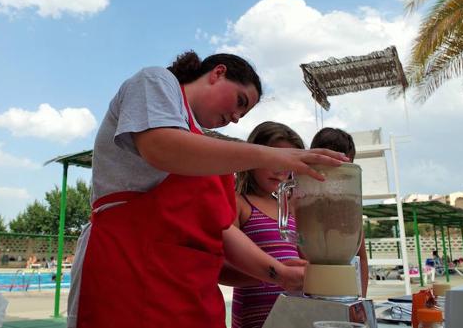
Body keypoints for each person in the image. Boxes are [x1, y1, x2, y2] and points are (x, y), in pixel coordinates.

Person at [67, 51, 348, 328]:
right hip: (127, 272)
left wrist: (280, 274)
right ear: (217, 73)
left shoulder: (207, 151)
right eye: (240, 101)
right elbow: (161, 146)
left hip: (191, 295)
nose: (236, 117)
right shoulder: (155, 81)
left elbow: (222, 230)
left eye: (243, 113)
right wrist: (275, 156)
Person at [227, 121, 305, 328]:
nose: (281, 171)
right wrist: (275, 274)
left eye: (289, 164)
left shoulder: (289, 209)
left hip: (293, 316)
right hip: (254, 318)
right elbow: (221, 268)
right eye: (274, 159)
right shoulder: (238, 203)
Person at [310, 127, 369, 297]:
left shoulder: (349, 207)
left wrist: (362, 298)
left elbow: (361, 257)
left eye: (343, 167)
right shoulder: (301, 199)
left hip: (344, 292)